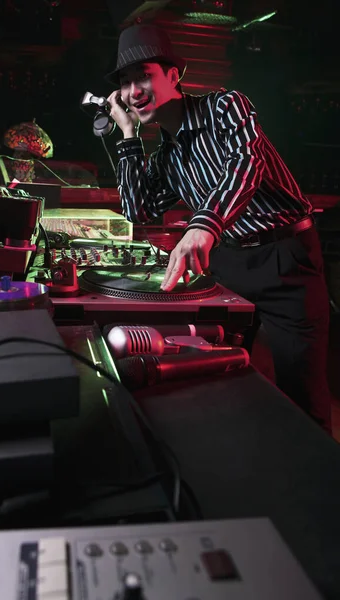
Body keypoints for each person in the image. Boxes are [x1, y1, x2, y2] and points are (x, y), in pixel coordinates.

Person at [105, 23, 332, 434]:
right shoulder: (165, 156)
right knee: (225, 384)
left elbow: (247, 163)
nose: (133, 90)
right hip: (228, 265)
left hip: (285, 259)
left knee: (302, 398)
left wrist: (204, 224)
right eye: (125, 81)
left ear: (174, 76)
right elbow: (136, 210)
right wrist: (127, 133)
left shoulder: (227, 105)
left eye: (144, 76)